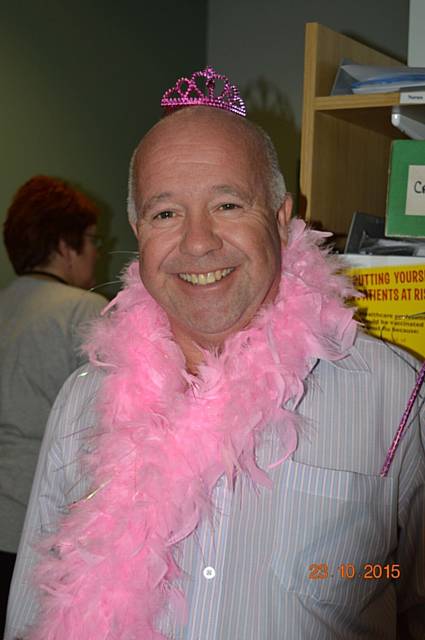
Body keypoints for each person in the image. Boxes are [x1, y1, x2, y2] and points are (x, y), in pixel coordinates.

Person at [5, 70, 424, 640]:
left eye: (228, 204)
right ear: (138, 231)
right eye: (165, 214)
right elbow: (34, 608)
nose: (198, 243)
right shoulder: (83, 399)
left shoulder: (396, 394)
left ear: (281, 218)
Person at [0, 175, 106, 634]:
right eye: (91, 241)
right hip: (32, 525)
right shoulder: (83, 311)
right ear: (65, 246)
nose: (97, 253)